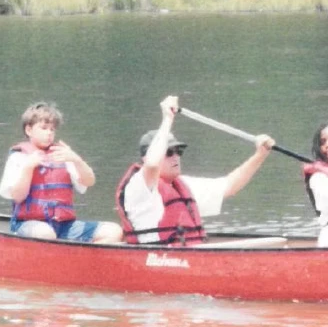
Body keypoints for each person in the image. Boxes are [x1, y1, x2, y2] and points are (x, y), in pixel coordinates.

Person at [115, 95, 275, 246]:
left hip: (188, 259)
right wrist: (167, 119)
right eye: (169, 152)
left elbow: (230, 185)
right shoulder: (139, 186)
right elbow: (152, 164)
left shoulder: (183, 186)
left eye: (179, 151)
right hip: (160, 261)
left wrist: (260, 155)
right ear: (144, 158)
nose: (176, 157)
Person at [0, 101, 123, 243]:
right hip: (28, 224)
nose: (49, 133)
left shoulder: (62, 154)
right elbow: (18, 197)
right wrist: (28, 168)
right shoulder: (19, 158)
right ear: (29, 130)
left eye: (52, 129)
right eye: (44, 128)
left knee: (114, 231)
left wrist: (77, 160)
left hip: (64, 225)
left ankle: (82, 263)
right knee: (46, 234)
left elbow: (89, 181)